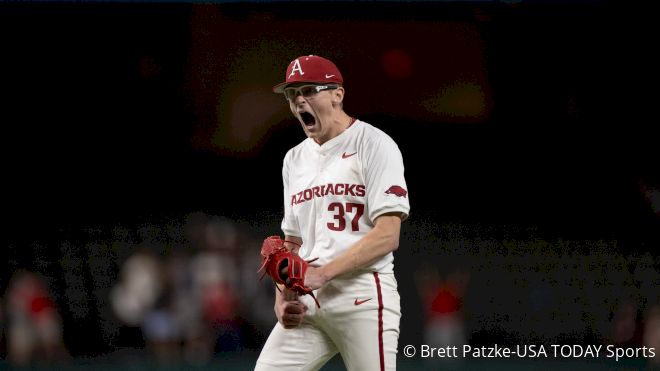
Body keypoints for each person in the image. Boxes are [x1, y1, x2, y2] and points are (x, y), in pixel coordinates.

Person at [255, 55, 410, 371]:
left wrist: (322, 274)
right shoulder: (294, 159)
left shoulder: (374, 143)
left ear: (337, 94)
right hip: (310, 303)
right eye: (292, 94)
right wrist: (281, 295)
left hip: (363, 296)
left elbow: (387, 234)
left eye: (309, 90)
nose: (299, 100)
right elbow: (293, 242)